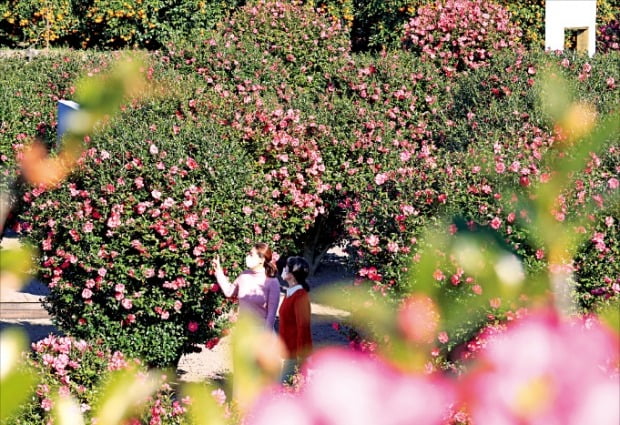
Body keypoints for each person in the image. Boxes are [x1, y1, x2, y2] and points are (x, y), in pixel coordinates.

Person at [211, 243, 280, 331]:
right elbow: (229, 292)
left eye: (251, 254)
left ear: (261, 259)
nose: (248, 257)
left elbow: (271, 314)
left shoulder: (272, 282)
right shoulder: (244, 275)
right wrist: (218, 270)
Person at [278, 256, 313, 384]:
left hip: (295, 354)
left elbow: (303, 326)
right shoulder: (290, 293)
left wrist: (302, 356)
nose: (283, 270)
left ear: (292, 275)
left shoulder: (300, 296)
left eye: (286, 269)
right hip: (288, 352)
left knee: (282, 389)